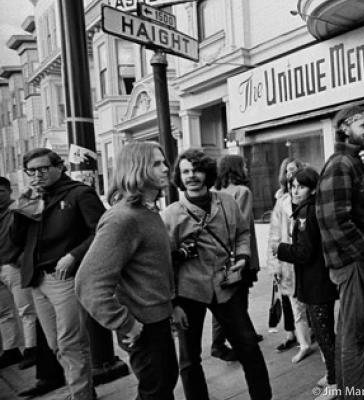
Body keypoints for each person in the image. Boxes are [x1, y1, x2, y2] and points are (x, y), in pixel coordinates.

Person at [161, 149, 271, 400]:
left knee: (249, 348)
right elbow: (163, 263)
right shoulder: (170, 215)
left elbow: (243, 233)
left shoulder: (227, 202)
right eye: (186, 171)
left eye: (197, 170)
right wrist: (173, 303)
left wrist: (242, 259)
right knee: (189, 360)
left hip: (225, 285)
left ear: (207, 173)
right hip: (189, 291)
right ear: (179, 175)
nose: (191, 176)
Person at [75, 142, 178, 399]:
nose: (166, 168)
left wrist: (171, 305)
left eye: (164, 161)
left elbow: (154, 268)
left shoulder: (147, 213)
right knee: (156, 390)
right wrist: (125, 324)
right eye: (156, 163)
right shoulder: (122, 218)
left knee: (162, 385)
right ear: (136, 169)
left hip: (157, 320)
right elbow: (88, 284)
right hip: (143, 326)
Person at [9, 148, 100, 400]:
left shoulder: (79, 194)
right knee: (55, 345)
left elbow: (100, 232)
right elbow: (16, 240)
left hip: (65, 278)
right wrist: (22, 208)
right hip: (38, 280)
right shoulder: (34, 198)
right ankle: (82, 389)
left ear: (59, 167)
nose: (38, 175)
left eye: (43, 168)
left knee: (71, 342)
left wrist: (73, 255)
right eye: (32, 171)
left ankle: (80, 395)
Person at [316, 104, 364, 399]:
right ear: (345, 128)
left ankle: (348, 391)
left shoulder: (352, 161)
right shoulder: (341, 163)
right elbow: (333, 219)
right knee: (356, 335)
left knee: (348, 332)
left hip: (354, 260)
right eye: (363, 125)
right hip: (351, 261)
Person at [276, 167, 339, 400]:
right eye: (292, 186)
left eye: (301, 186)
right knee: (323, 333)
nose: (295, 191)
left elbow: (305, 252)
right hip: (316, 282)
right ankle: (333, 374)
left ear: (312, 188)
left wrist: (280, 249)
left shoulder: (306, 212)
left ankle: (335, 382)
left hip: (316, 284)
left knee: (324, 334)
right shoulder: (308, 208)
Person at [210, 154, 263, 362]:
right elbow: (239, 224)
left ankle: (239, 335)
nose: (247, 168)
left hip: (220, 255)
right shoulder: (242, 191)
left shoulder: (214, 192)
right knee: (239, 299)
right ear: (236, 169)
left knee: (224, 298)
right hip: (240, 254)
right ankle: (229, 340)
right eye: (244, 165)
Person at [268, 157, 311, 359]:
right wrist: (274, 266)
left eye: (294, 170)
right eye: (287, 171)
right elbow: (274, 237)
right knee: (296, 306)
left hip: (308, 260)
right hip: (289, 262)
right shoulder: (281, 202)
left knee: (313, 305)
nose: (290, 174)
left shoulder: (310, 202)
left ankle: (321, 340)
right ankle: (304, 344)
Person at [0, 176, 37, 370]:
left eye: (1, 191)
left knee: (26, 309)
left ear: (9, 191)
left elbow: (31, 234)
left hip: (13, 266)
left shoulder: (18, 210)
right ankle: (11, 349)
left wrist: (22, 257)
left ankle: (32, 348)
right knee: (3, 313)